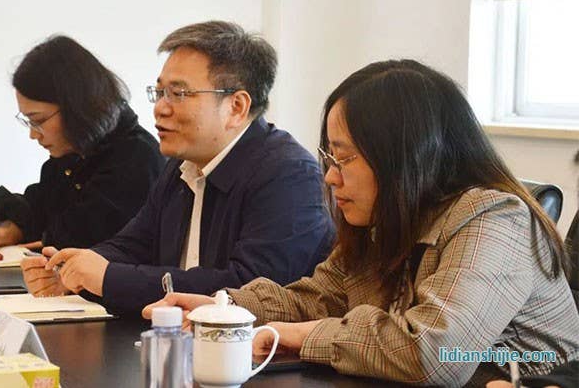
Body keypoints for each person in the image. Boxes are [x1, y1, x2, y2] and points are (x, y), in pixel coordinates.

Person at [143, 60, 579, 387]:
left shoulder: (496, 220)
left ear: (404, 159)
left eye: (345, 158)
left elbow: (433, 353)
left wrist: (304, 336)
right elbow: (316, 299)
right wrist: (224, 308)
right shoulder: (386, 220)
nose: (330, 177)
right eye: (329, 157)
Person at [21, 21, 335, 315]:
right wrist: (74, 269)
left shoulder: (289, 175)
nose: (160, 107)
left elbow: (246, 289)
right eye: (159, 92)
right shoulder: (180, 167)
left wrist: (106, 278)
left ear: (236, 107)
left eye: (179, 94)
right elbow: (134, 245)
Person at [0, 35, 164, 250]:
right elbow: (40, 210)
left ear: (77, 108)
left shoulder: (136, 160)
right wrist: (5, 231)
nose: (33, 134)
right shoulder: (76, 155)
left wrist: (30, 235)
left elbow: (78, 237)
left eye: (39, 121)